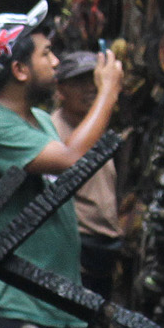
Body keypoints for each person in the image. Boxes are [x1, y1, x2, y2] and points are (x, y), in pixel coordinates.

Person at [0, 4, 121, 328]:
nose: (56, 62)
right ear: (20, 70)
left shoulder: (42, 121)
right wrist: (108, 92)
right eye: (46, 54)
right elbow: (70, 158)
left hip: (54, 301)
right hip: (12, 302)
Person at [53, 49, 125, 299]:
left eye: (92, 80)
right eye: (78, 82)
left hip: (104, 244)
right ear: (60, 89)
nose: (89, 89)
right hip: (77, 244)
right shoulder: (55, 132)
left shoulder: (98, 128)